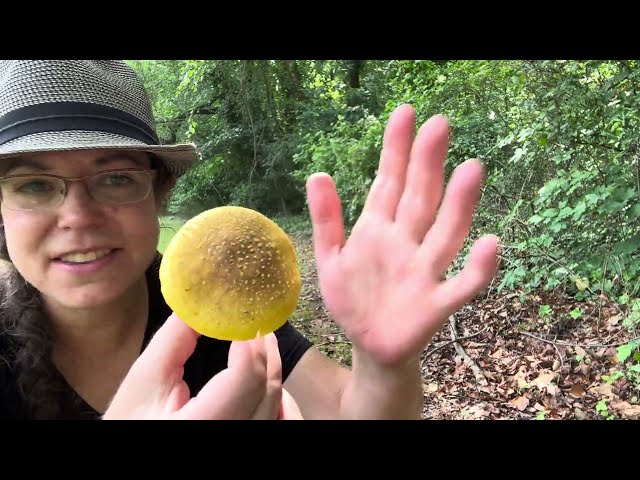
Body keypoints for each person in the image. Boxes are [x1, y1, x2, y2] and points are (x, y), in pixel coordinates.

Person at [0, 60, 499, 420]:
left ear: (158, 194)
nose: (78, 217)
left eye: (115, 179)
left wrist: (383, 366)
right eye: (34, 185)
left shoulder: (228, 318)